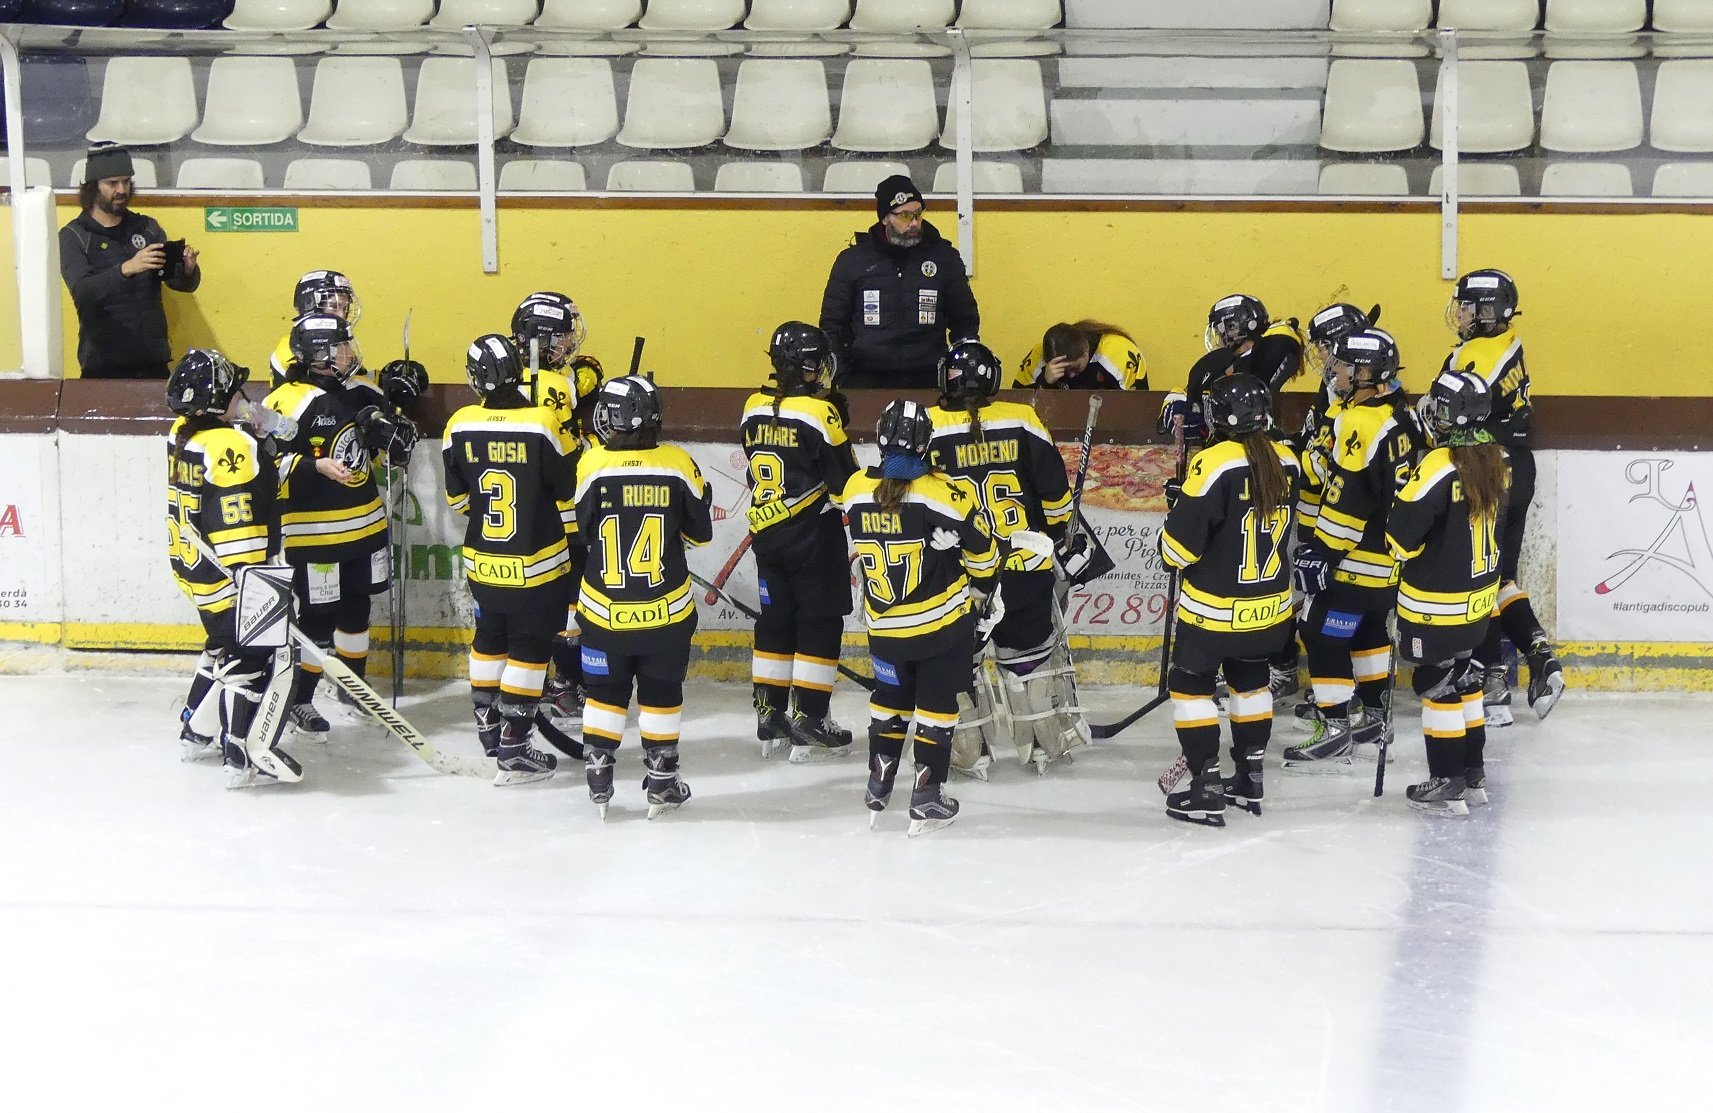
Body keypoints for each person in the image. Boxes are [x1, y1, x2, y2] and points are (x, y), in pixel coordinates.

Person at [837, 399, 1002, 836]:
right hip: (940, 630)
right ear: (925, 443)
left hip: (884, 632)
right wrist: (955, 550)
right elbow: (986, 559)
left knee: (888, 703)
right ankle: (926, 796)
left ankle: (878, 786)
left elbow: (876, 520)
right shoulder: (941, 493)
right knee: (936, 709)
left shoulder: (854, 488)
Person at [926, 340, 1082, 778]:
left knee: (961, 667)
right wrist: (1052, 540)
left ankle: (969, 754)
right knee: (1027, 663)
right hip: (1023, 567)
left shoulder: (929, 427)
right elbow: (1055, 501)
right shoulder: (1023, 418)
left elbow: (917, 506)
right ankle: (1042, 748)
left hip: (962, 576)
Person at [1156, 374, 1300, 824]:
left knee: (1190, 689)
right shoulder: (1287, 459)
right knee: (1251, 685)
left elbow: (1178, 550)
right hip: (1271, 609)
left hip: (1213, 613)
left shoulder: (1213, 462)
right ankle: (1250, 777)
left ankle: (1207, 783)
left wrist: (1176, 511)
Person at [264, 313, 415, 741]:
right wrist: (313, 466)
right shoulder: (288, 401)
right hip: (317, 538)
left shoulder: (358, 393)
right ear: (319, 355)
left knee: (357, 610)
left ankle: (354, 688)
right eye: (342, 346)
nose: (351, 352)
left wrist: (392, 440)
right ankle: (300, 699)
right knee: (317, 619)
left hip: (365, 528)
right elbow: (265, 465)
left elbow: (378, 457)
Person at [574, 376, 714, 819]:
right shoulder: (677, 463)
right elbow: (701, 536)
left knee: (603, 694)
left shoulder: (591, 464)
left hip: (602, 612)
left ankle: (599, 781)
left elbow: (585, 530)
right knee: (661, 693)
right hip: (665, 615)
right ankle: (662, 782)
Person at [1284, 328, 1424, 769]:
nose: (1335, 371)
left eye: (1344, 366)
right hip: (1389, 559)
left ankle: (1335, 727)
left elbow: (1348, 498)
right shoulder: (1401, 413)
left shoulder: (1360, 422)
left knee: (1321, 632)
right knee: (1366, 630)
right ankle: (1377, 716)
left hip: (1356, 559)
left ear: (1366, 372)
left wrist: (1321, 550)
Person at [442, 334, 577, 785]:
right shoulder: (542, 422)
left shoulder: (458, 423)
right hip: (536, 564)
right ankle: (515, 746)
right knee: (530, 648)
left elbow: (458, 497)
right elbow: (565, 489)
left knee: (489, 636)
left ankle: (489, 730)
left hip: (484, 561)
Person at [164, 348, 299, 788]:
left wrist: (263, 441)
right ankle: (239, 755)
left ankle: (196, 729)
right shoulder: (232, 445)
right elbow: (235, 516)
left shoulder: (182, 431)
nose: (243, 398)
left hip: (194, 568)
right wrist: (255, 581)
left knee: (221, 644)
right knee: (254, 657)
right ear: (219, 396)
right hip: (232, 572)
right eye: (235, 391)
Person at [1442, 268, 1564, 724]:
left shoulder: (1473, 356)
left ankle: (1491, 674)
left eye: (1469, 306)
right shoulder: (1509, 341)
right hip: (1519, 465)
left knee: (1477, 574)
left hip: (1486, 468)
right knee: (1499, 575)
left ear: (1487, 311)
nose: (1462, 313)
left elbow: (1439, 412)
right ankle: (1537, 652)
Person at [1386, 369, 1509, 816]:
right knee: (1466, 678)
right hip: (1478, 604)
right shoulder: (1497, 458)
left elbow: (1400, 542)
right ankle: (1473, 776)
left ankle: (1448, 782)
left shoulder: (1437, 466)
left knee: (1434, 684)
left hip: (1433, 605)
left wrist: (1402, 499)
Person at [740, 321, 860, 760]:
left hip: (768, 537)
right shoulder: (819, 413)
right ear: (808, 366)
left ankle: (769, 712)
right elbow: (844, 482)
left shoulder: (752, 406)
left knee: (775, 621)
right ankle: (811, 716)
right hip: (813, 537)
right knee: (819, 622)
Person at [510, 291, 604, 728]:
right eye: (563, 336)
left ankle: (530, 681)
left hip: (521, 520)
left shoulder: (513, 378)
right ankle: (567, 683)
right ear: (542, 340)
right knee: (569, 604)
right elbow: (567, 450)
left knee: (535, 605)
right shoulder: (553, 386)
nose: (570, 343)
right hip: (561, 513)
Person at [818, 174, 980, 389]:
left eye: (917, 214)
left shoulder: (944, 258)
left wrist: (960, 373)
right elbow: (832, 324)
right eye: (904, 216)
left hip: (929, 378)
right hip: (864, 379)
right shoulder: (853, 260)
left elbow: (965, 321)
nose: (914, 223)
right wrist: (842, 374)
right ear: (885, 218)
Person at [60, 142, 201, 379]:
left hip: (154, 363)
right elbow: (83, 292)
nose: (122, 190)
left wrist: (187, 270)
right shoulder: (74, 236)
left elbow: (178, 284)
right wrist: (126, 268)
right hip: (103, 366)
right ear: (93, 187)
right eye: (112, 183)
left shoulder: (147, 228)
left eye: (126, 181)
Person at [267, 270, 428, 414]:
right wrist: (384, 389)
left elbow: (351, 380)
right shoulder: (294, 349)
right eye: (334, 306)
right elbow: (337, 390)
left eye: (345, 308)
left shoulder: (334, 343)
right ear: (309, 306)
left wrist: (386, 378)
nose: (341, 315)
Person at [1159, 294, 1303, 440]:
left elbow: (1283, 339)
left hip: (1255, 443)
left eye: (1222, 328)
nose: (1219, 335)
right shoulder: (1219, 363)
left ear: (1237, 326)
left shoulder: (1267, 355)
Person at [1015, 320, 1148, 390]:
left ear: (1086, 350)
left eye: (1074, 368)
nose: (1071, 376)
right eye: (1063, 371)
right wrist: (1045, 384)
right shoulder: (1037, 358)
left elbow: (1137, 408)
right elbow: (1019, 409)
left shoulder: (1119, 354)